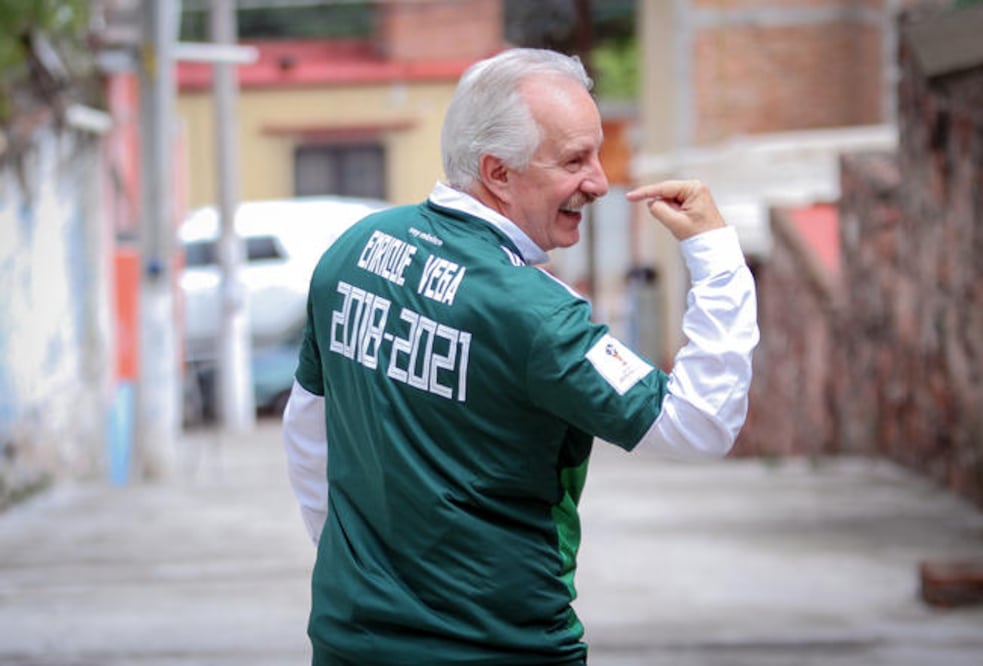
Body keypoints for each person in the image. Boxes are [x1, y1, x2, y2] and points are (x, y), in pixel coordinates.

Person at [283, 47, 759, 666]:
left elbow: (306, 437)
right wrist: (717, 257)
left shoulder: (353, 251)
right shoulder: (533, 313)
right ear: (497, 173)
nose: (600, 182)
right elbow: (697, 423)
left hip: (352, 641)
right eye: (574, 160)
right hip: (502, 645)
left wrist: (362, 573)